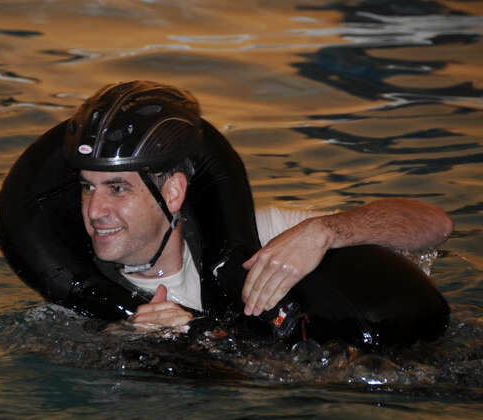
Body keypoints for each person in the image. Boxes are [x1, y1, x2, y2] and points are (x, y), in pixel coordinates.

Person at [61, 80, 452, 332]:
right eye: (86, 188)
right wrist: (125, 343)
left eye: (116, 189)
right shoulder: (80, 291)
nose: (95, 210)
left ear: (173, 193)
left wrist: (326, 232)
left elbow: (435, 225)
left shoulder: (263, 234)